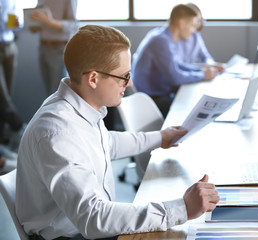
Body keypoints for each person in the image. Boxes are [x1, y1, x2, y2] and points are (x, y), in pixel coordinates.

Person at [15, 24, 220, 240]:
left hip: (89, 227)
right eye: (123, 75)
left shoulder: (79, 106)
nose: (130, 82)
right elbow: (93, 218)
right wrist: (182, 209)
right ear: (93, 78)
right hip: (74, 235)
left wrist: (161, 138)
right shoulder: (57, 133)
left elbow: (107, 143)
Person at [132, 4, 219, 117]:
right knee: (195, 107)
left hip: (161, 95)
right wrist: (203, 75)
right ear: (181, 23)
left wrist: (202, 69)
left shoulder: (165, 37)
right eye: (192, 25)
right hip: (153, 100)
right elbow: (175, 77)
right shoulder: (161, 41)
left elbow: (178, 65)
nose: (194, 31)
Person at [29, 0, 78, 96]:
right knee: (50, 94)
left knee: (58, 93)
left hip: (58, 48)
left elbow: (72, 25)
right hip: (43, 47)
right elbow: (35, 28)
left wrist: (50, 22)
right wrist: (31, 22)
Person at [0, 0, 25, 152]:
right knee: (3, 98)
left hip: (9, 47)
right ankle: (19, 126)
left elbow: (18, 22)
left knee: (6, 96)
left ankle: (3, 140)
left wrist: (14, 22)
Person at [177, 3, 224, 71]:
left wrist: (211, 65)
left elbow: (205, 56)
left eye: (200, 21)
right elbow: (178, 68)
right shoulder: (173, 38)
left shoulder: (195, 36)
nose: (198, 24)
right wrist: (201, 69)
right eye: (196, 21)